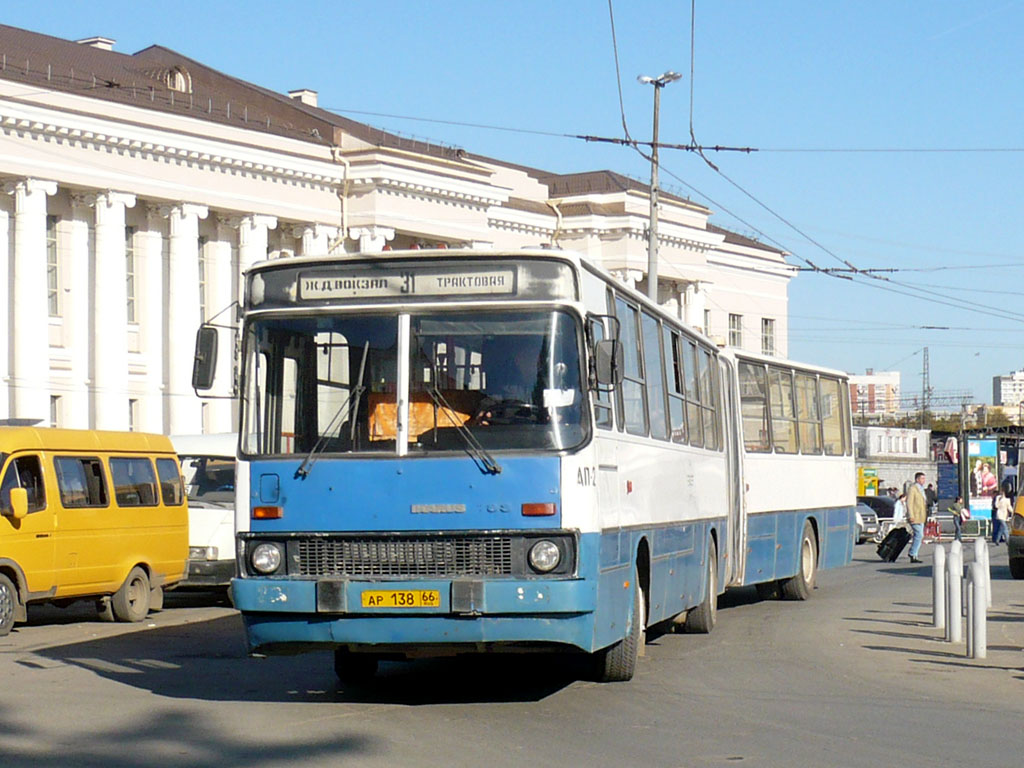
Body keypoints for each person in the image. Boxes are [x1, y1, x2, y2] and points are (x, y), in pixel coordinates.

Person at [906, 471, 928, 563]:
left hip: (921, 516)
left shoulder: (922, 489)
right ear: (917, 479)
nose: (924, 480)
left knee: (919, 535)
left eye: (924, 478)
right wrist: (911, 515)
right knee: (919, 535)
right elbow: (909, 503)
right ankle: (912, 553)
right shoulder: (913, 488)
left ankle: (914, 555)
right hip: (915, 516)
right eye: (922, 478)